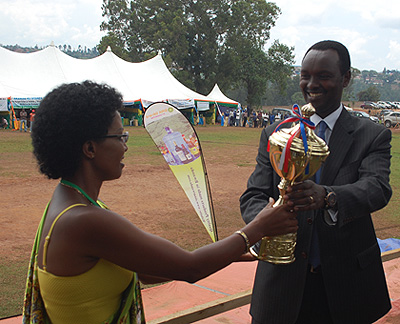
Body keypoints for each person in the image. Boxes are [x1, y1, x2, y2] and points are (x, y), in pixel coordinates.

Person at [23, 80, 298, 324]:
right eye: (120, 136)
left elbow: (146, 270)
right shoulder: (85, 221)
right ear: (90, 148)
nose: (125, 146)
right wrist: (258, 228)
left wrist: (231, 250)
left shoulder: (70, 205)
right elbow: (190, 268)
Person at [240, 40, 392, 324]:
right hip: (282, 284)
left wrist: (327, 196)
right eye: (305, 75)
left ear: (346, 79)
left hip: (348, 286)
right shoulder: (277, 134)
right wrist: (265, 221)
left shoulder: (371, 134)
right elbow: (253, 195)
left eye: (324, 75)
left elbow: (377, 189)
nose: (311, 84)